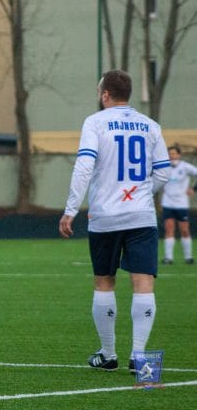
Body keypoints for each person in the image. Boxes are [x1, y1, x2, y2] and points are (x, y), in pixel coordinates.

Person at [59, 70, 170, 375]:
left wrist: (71, 209)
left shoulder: (95, 122)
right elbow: (163, 173)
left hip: (105, 216)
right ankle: (140, 356)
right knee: (143, 282)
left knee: (105, 280)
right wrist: (141, 192)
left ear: (105, 94)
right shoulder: (151, 126)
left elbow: (84, 166)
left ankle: (108, 354)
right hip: (141, 215)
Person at [159, 145, 197, 265]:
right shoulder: (163, 167)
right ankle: (168, 258)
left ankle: (188, 257)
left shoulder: (185, 167)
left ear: (179, 155)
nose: (171, 156)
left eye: (174, 153)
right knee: (169, 229)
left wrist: (193, 189)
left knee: (184, 230)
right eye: (169, 154)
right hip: (167, 202)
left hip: (181, 203)